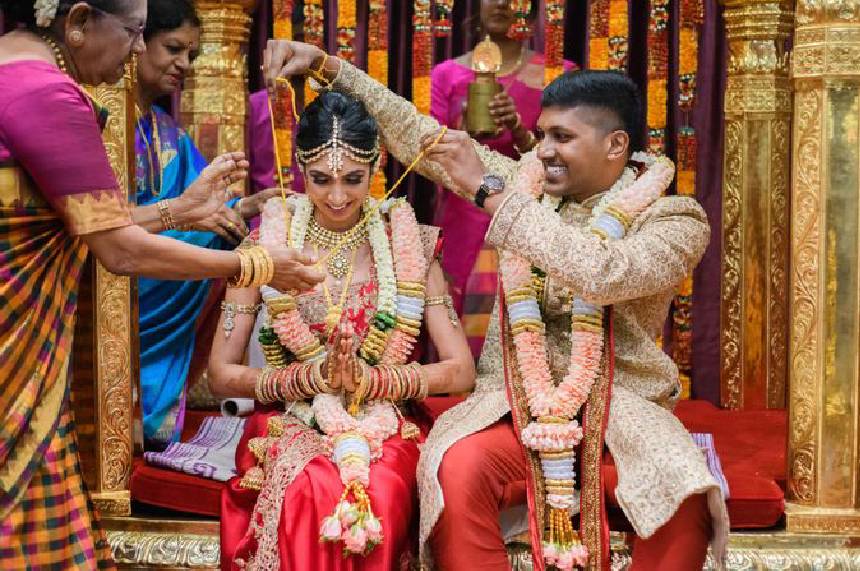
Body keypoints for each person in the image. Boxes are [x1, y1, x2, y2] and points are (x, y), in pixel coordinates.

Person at [264, 41, 728, 571]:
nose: (542, 149)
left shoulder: (674, 218)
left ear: (615, 145)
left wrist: (491, 193)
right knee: (454, 468)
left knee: (683, 492)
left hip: (625, 408)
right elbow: (422, 136)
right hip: (512, 404)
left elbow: (604, 272)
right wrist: (330, 67)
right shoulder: (528, 189)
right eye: (544, 133)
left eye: (562, 137)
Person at [0, 2, 322, 567]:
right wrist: (255, 266)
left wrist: (179, 211)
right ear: (77, 20)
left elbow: (88, 222)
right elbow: (119, 249)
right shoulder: (45, 92)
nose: (133, 50)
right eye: (133, 33)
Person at [209, 91, 475, 570]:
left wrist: (375, 381)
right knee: (312, 484)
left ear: (377, 168)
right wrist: (306, 380)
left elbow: (460, 371)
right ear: (300, 171)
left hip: (386, 419)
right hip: (292, 415)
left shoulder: (408, 242)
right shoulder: (265, 246)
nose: (337, 196)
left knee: (384, 488)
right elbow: (222, 374)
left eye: (354, 179)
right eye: (321, 179)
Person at [132, 0, 279, 451]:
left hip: (157, 268)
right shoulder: (102, 125)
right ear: (136, 43)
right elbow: (110, 226)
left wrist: (243, 208)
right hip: (120, 274)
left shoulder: (165, 129)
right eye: (173, 48)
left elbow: (204, 206)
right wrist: (203, 221)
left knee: (245, 251)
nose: (183, 65)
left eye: (190, 55)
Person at [431, 0, 575, 357]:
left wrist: (518, 130)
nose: (500, 4)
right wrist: (461, 132)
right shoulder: (446, 74)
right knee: (459, 326)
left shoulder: (557, 73)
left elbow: (571, 160)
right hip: (463, 216)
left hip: (529, 214)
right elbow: (429, 156)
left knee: (527, 320)